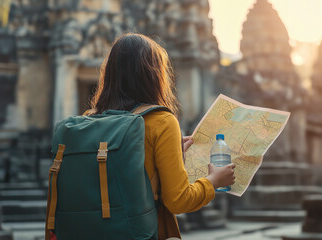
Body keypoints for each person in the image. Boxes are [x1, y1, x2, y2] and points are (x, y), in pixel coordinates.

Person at [85, 33, 236, 238]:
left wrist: (171, 153)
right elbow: (178, 201)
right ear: (154, 75)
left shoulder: (89, 120)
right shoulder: (161, 122)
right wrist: (213, 181)